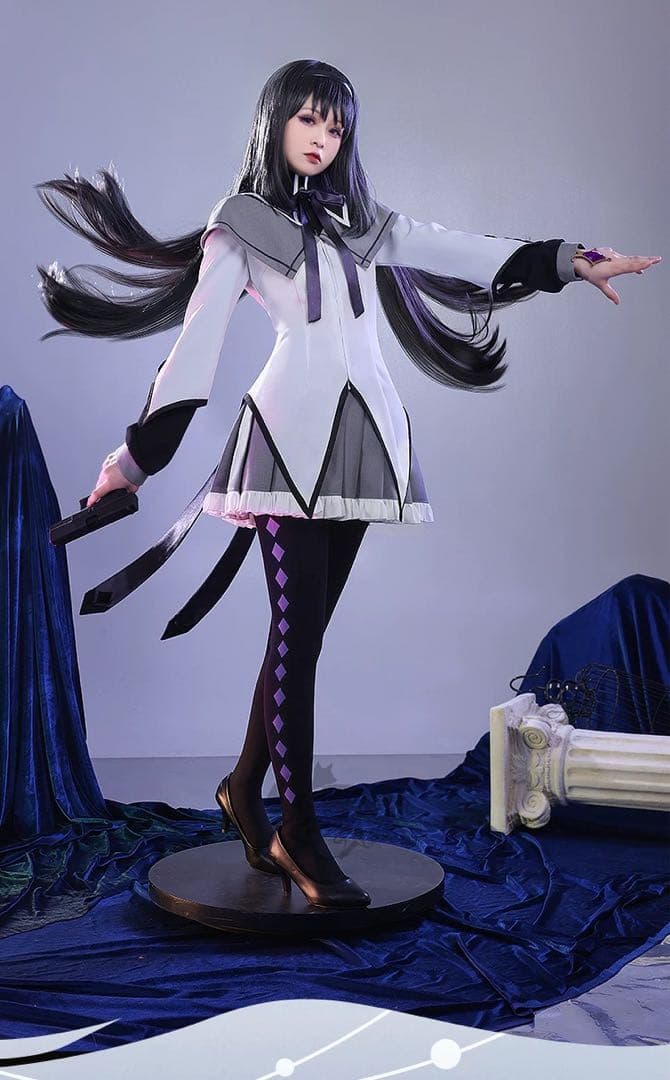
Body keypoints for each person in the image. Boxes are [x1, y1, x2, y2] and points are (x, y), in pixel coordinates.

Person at [36, 59, 661, 909]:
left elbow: (461, 247)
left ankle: (242, 788)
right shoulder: (239, 224)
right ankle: (296, 828)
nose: (322, 139)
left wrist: (572, 260)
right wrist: (131, 463)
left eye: (335, 127)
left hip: (365, 445)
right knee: (297, 642)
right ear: (275, 122)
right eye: (308, 120)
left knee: (302, 638)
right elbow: (195, 353)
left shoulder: (362, 222)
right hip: (287, 446)